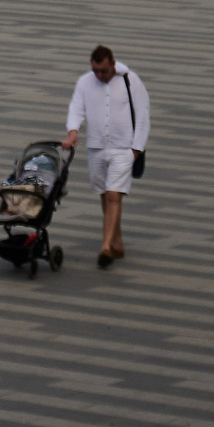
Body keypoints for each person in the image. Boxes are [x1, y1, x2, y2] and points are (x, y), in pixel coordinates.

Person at [63, 45, 149, 268]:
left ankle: (105, 247)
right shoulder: (84, 82)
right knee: (105, 194)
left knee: (113, 194)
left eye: (103, 71)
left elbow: (142, 115)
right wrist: (73, 132)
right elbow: (76, 108)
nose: (99, 75)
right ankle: (117, 241)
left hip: (124, 148)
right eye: (96, 71)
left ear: (112, 64)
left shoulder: (131, 80)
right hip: (96, 147)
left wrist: (136, 149)